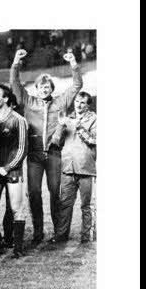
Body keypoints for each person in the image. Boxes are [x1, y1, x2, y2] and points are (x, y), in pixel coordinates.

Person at [10, 49, 83, 245]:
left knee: (55, 192)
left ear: (51, 88)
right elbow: (15, 85)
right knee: (33, 193)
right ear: (36, 88)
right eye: (41, 86)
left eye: (47, 86)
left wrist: (73, 63)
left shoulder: (61, 102)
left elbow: (77, 85)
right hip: (34, 156)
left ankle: (59, 232)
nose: (44, 89)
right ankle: (38, 231)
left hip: (53, 154)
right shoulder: (28, 102)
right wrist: (16, 61)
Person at [0, 85, 29, 258]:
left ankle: (17, 247)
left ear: (6, 98)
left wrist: (8, 167)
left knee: (16, 208)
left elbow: (23, 149)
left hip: (12, 170)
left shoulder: (18, 120)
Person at [50, 92, 96, 244]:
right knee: (65, 204)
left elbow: (94, 140)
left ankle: (86, 237)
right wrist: (61, 126)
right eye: (77, 101)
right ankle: (61, 236)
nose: (78, 104)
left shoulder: (95, 119)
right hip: (68, 168)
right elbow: (56, 142)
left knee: (86, 205)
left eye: (82, 102)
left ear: (88, 105)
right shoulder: (67, 119)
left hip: (85, 168)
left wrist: (80, 127)